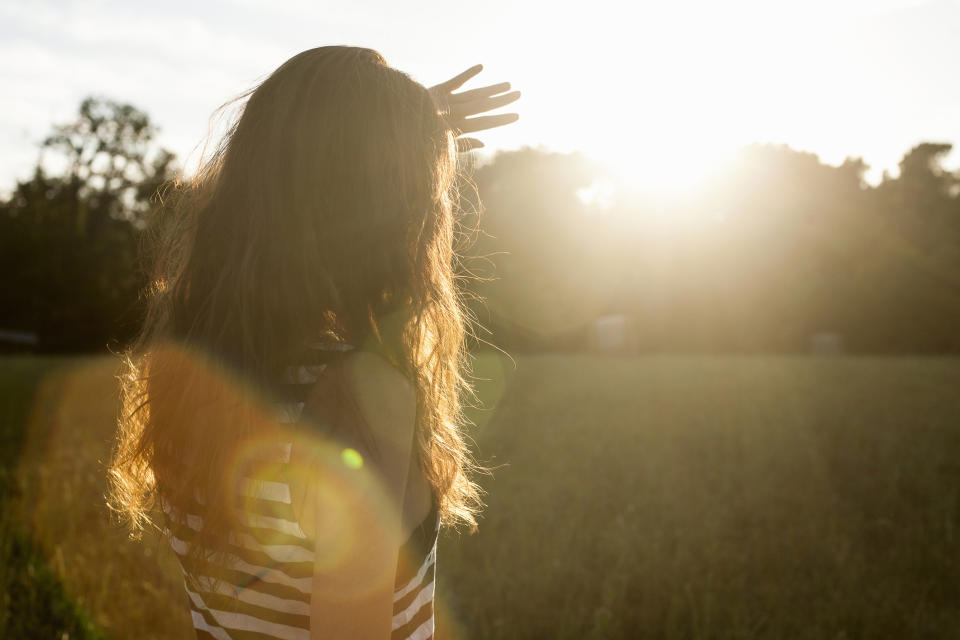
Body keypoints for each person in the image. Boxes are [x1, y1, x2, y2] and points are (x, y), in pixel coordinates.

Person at [108, 45, 519, 640]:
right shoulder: (361, 396)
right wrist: (389, 133)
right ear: (396, 213)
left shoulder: (191, 367)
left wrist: (384, 125)